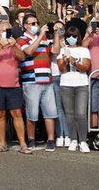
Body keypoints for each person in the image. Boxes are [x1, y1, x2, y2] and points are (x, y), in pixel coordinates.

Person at [0, 24, 31, 154]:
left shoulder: (16, 45)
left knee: (17, 113)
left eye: (7, 30)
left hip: (13, 84)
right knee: (0, 114)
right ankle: (2, 143)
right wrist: (0, 46)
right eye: (3, 31)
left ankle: (22, 144)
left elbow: (22, 57)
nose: (5, 33)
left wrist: (13, 45)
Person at [17, 15, 58, 151]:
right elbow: (29, 51)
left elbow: (55, 50)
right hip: (31, 80)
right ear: (25, 26)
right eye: (32, 23)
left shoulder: (45, 38)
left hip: (47, 79)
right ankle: (31, 139)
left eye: (37, 22)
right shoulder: (22, 39)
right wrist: (40, 36)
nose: (35, 24)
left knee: (50, 112)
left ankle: (51, 139)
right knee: (32, 113)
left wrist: (56, 33)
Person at [54, 26, 91, 153]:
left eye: (74, 36)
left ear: (78, 37)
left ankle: (83, 141)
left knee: (80, 114)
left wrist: (74, 62)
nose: (71, 38)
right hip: (66, 84)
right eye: (69, 36)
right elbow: (61, 68)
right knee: (69, 115)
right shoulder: (62, 50)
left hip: (81, 84)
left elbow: (85, 67)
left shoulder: (84, 50)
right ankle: (73, 139)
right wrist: (65, 60)